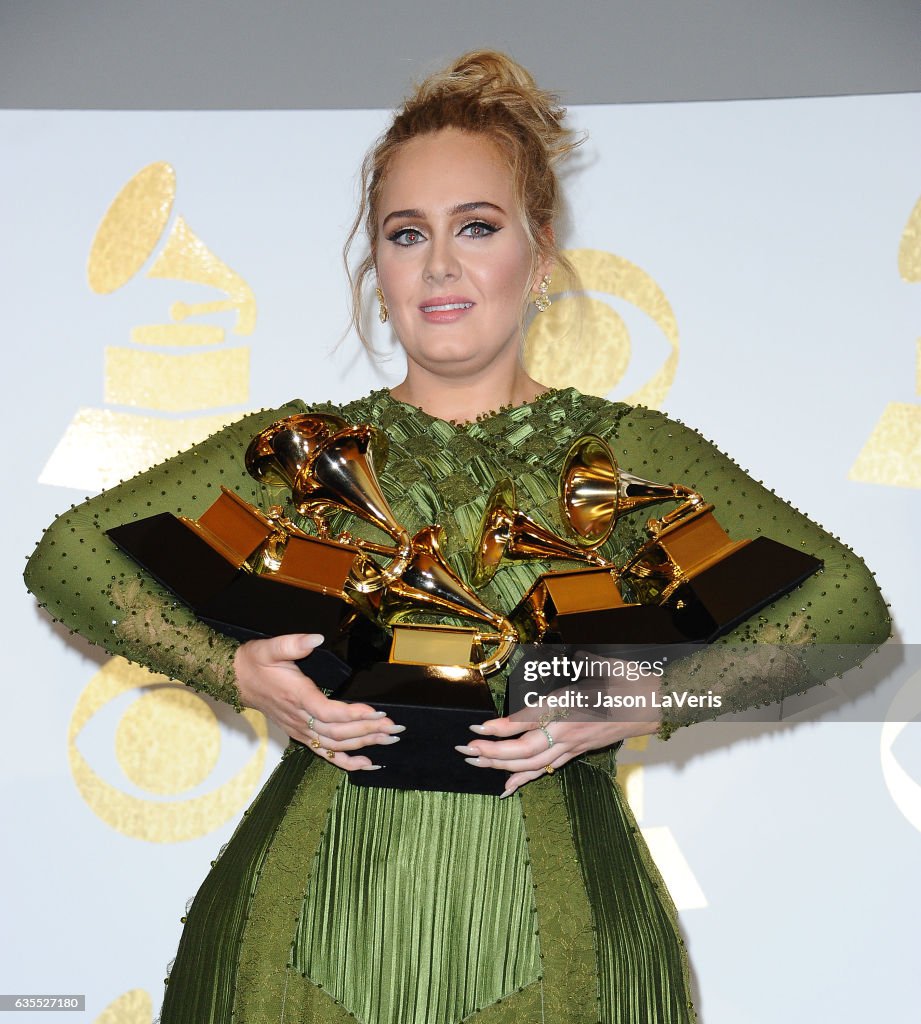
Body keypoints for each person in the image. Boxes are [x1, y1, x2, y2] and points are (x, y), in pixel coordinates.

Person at [24, 51, 889, 1024]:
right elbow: (70, 555)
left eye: (476, 226)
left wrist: (640, 697)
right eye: (406, 234)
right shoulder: (306, 448)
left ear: (542, 250)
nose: (439, 264)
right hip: (293, 953)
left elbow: (846, 605)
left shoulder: (626, 451)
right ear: (377, 263)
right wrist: (234, 669)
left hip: (571, 960)